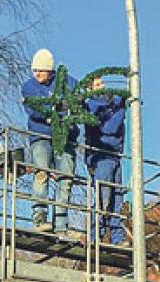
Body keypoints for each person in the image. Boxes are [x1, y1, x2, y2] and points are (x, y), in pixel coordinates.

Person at [21, 48, 79, 235]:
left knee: (65, 179)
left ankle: (61, 224)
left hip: (65, 138)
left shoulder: (67, 82)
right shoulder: (29, 86)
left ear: (50, 70)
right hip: (41, 137)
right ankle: (39, 216)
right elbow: (35, 110)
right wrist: (57, 110)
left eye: (40, 70)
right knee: (41, 172)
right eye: (34, 70)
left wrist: (66, 110)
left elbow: (78, 100)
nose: (36, 73)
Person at [84, 76, 128, 245]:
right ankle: (96, 236)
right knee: (104, 198)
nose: (102, 86)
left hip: (115, 155)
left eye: (102, 83)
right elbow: (110, 128)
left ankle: (118, 237)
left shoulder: (111, 105)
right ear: (90, 89)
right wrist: (122, 107)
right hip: (101, 156)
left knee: (117, 197)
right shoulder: (92, 107)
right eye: (97, 84)